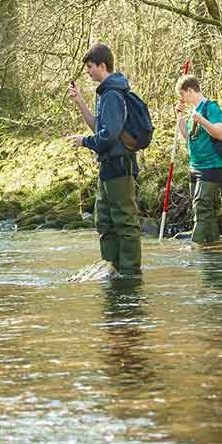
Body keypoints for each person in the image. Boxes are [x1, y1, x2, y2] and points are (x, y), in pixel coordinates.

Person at [67, 43, 141, 276]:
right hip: (108, 167)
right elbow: (100, 127)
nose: (87, 71)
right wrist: (80, 101)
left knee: (125, 222)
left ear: (102, 65)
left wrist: (85, 142)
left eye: (89, 67)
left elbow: (107, 137)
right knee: (105, 221)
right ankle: (111, 268)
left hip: (119, 166)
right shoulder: (105, 94)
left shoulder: (112, 94)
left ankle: (129, 274)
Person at [175, 75, 222, 243]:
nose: (181, 99)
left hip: (212, 165)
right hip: (195, 166)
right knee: (205, 209)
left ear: (190, 91)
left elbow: (220, 133)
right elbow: (187, 137)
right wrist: (180, 116)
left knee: (201, 206)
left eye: (182, 94)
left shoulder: (211, 107)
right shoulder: (192, 112)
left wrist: (202, 120)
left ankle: (195, 247)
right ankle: (214, 246)